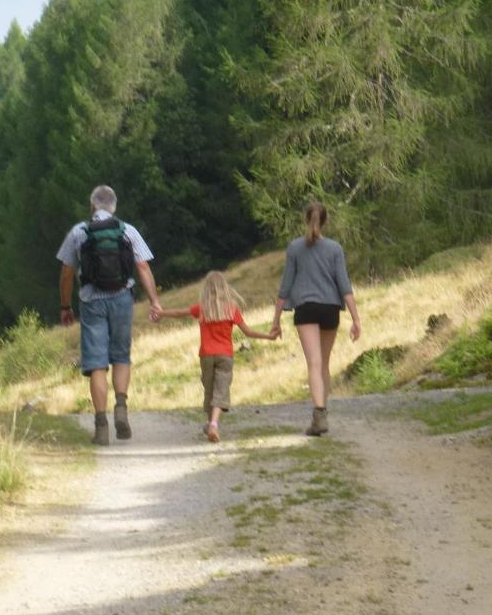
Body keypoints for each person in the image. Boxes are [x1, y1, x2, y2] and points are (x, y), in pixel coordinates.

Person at [57, 185, 162, 446]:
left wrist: (65, 306)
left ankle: (101, 425)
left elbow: (67, 273)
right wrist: (154, 301)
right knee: (121, 356)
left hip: (92, 302)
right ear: (114, 206)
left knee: (96, 364)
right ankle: (122, 409)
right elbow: (142, 267)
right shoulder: (127, 230)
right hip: (122, 300)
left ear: (92, 206)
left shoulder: (78, 233)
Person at [152, 271, 278, 443]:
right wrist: (269, 336)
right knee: (221, 390)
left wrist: (161, 313)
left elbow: (179, 313)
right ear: (224, 288)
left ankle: (209, 422)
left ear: (206, 289)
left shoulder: (202, 308)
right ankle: (213, 424)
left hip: (206, 355)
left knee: (209, 389)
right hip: (225, 355)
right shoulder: (231, 309)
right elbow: (247, 331)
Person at [271, 202, 361, 436]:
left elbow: (285, 287)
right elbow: (345, 286)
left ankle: (318, 414)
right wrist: (356, 319)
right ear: (325, 221)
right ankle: (323, 410)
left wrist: (276, 319)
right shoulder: (334, 249)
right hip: (330, 308)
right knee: (324, 363)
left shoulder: (294, 249)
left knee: (314, 362)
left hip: (306, 309)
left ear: (305, 220)